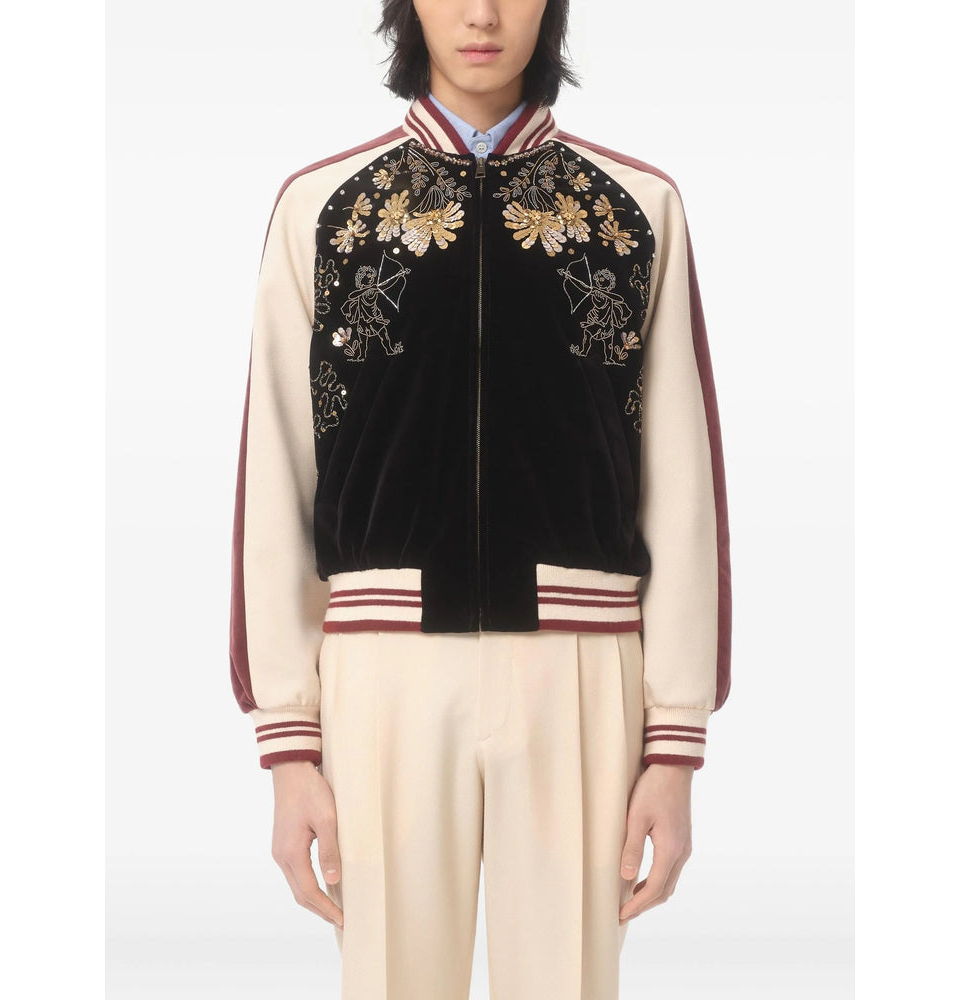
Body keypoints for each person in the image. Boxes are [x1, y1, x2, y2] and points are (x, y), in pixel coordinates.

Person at [229, 1, 732, 996]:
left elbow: (683, 486)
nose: (482, 13)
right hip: (382, 667)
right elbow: (276, 474)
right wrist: (288, 742)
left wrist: (674, 745)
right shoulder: (320, 209)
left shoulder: (637, 208)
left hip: (582, 666)